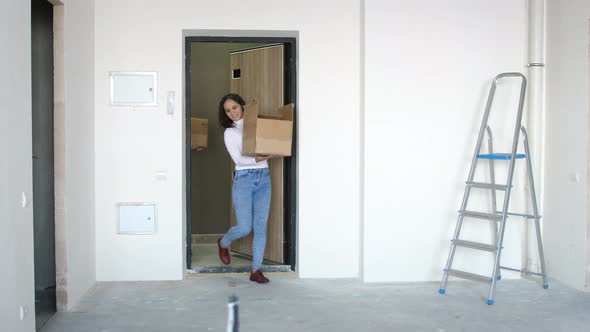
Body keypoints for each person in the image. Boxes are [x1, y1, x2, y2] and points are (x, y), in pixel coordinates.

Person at [217, 93, 272, 283]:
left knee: (260, 227)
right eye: (227, 110)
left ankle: (256, 270)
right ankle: (224, 242)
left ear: (242, 106)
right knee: (244, 227)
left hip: (264, 178)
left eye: (234, 107)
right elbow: (239, 160)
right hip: (244, 179)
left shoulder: (256, 125)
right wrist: (258, 158)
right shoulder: (230, 132)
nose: (232, 112)